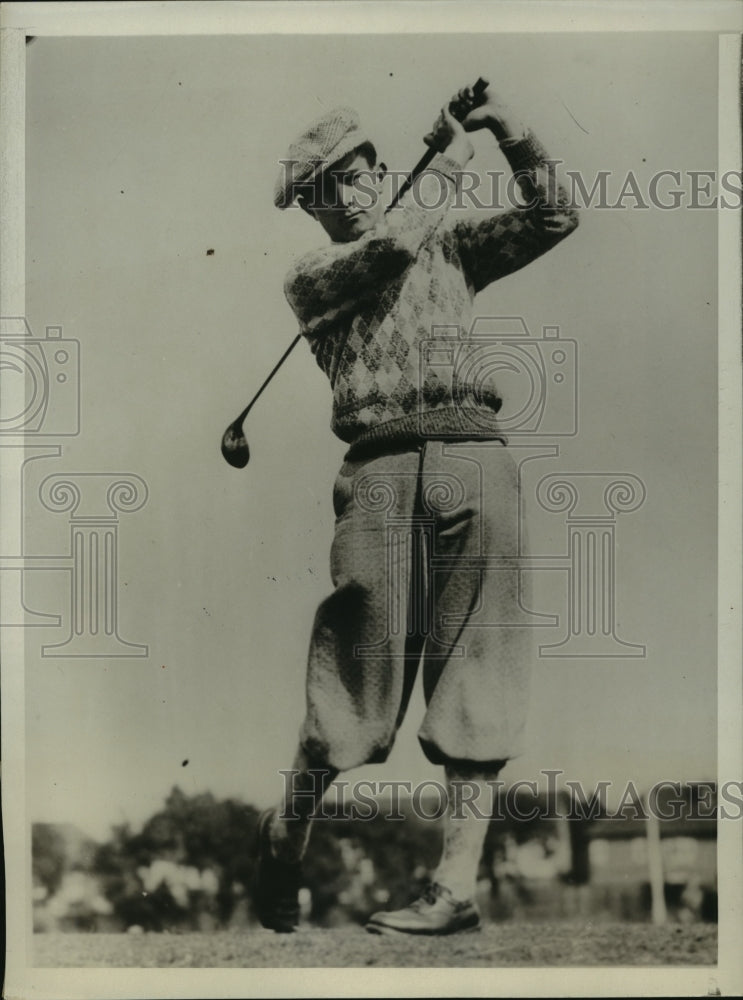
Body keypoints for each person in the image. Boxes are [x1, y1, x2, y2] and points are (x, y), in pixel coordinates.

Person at [255, 81, 579, 936]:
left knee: (480, 671)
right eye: (337, 185)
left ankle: (454, 888)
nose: (358, 191)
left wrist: (507, 127)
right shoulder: (314, 276)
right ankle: (285, 841)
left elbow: (555, 216)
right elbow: (394, 249)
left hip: (476, 458)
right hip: (380, 470)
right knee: (354, 680)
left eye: (366, 174)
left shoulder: (447, 248)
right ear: (312, 205)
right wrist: (444, 165)